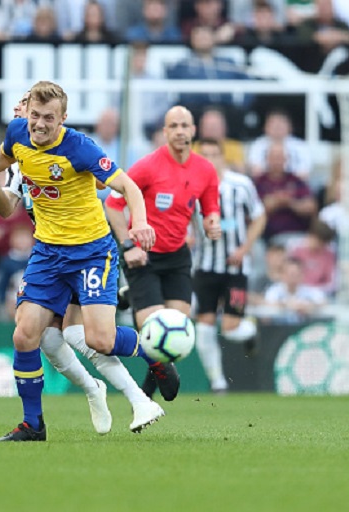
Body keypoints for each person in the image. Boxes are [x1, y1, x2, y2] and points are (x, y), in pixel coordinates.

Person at [0, 81, 161, 442]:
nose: (37, 124)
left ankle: (152, 351)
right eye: (33, 115)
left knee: (99, 339)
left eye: (47, 118)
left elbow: (129, 187)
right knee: (25, 335)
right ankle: (33, 424)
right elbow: (3, 160)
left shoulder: (80, 148)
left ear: (63, 119)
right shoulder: (18, 134)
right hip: (48, 253)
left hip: (90, 252)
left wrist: (141, 223)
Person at [105, 105, 222, 399]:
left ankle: (145, 397)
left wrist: (212, 223)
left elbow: (211, 209)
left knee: (175, 327)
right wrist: (128, 245)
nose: (181, 131)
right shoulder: (147, 167)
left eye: (186, 125)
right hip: (142, 255)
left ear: (194, 130)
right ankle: (148, 395)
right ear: (165, 132)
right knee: (154, 329)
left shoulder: (205, 170)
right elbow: (113, 206)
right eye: (174, 125)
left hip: (177, 255)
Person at [191, 138, 266, 393]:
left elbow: (259, 216)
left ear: (223, 157)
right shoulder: (192, 186)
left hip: (235, 267)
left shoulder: (240, 185)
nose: (210, 160)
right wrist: (188, 236)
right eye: (205, 155)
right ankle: (217, 382)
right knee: (204, 326)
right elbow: (186, 217)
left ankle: (250, 329)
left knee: (230, 328)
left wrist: (245, 249)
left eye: (215, 155)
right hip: (205, 266)